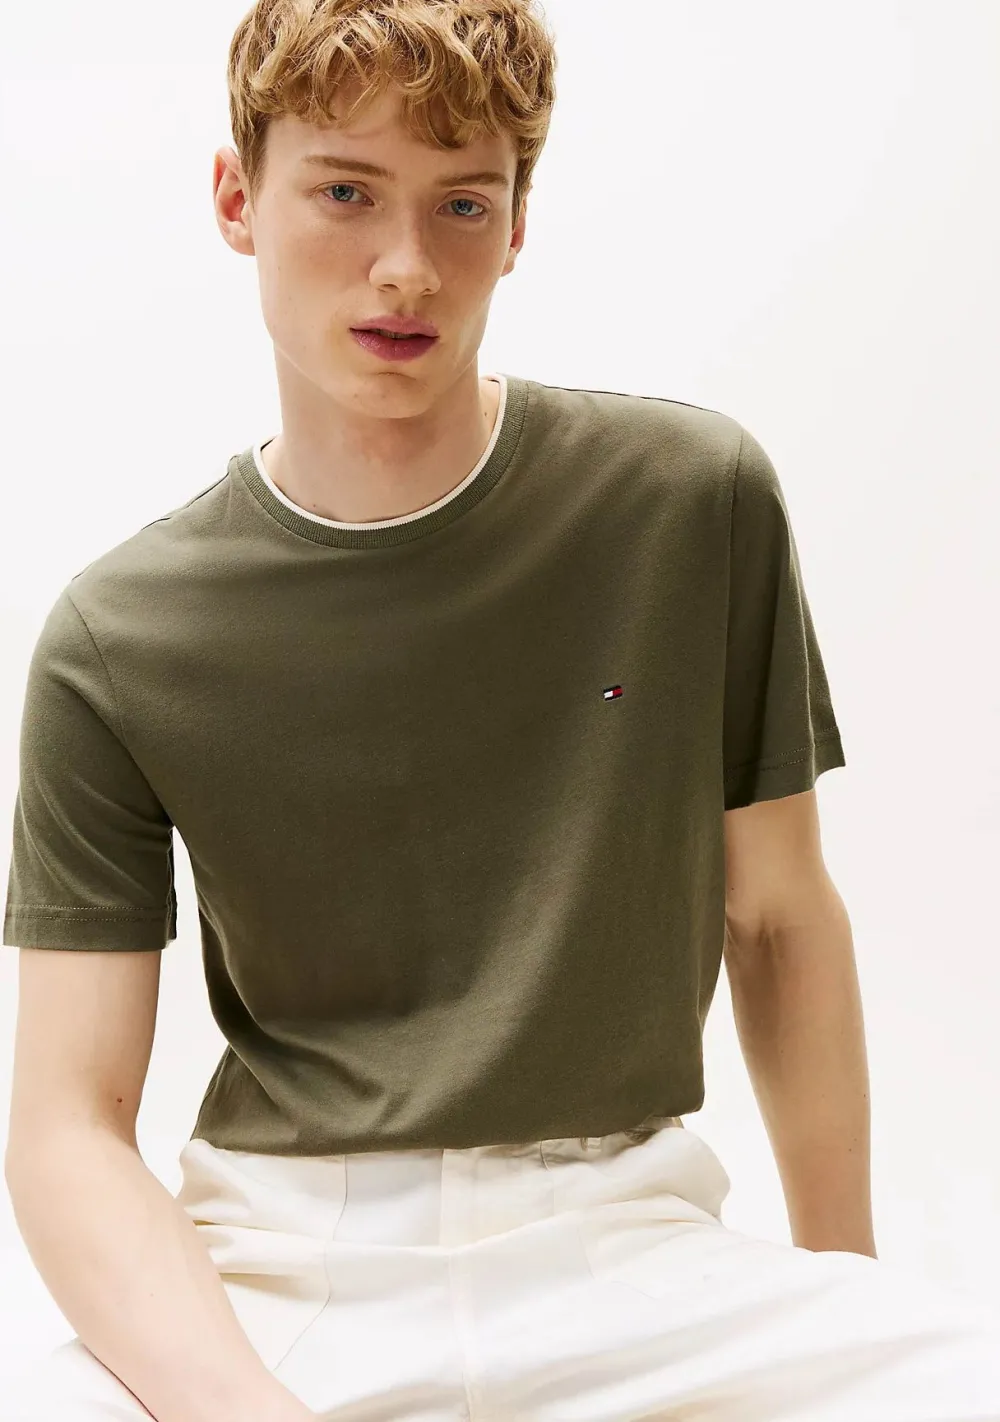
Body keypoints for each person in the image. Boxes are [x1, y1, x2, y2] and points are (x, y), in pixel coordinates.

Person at [3, 1, 1000, 1419]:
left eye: (462, 204)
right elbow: (67, 1128)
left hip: (630, 1244)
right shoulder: (119, 638)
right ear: (236, 198)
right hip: (286, 1268)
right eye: (346, 192)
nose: (407, 266)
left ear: (519, 222)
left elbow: (780, 918)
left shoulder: (689, 501)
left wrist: (847, 1297)